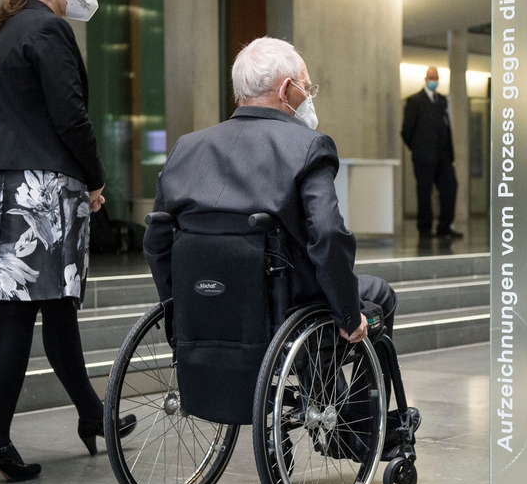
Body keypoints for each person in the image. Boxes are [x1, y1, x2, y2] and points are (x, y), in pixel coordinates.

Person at [143, 36, 418, 432]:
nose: (308, 96)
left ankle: (326, 393)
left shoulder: (187, 148)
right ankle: (356, 428)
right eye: (307, 87)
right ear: (286, 89)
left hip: (204, 306)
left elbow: (156, 240)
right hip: (281, 305)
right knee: (375, 297)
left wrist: (180, 305)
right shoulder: (306, 146)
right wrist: (346, 312)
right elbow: (326, 234)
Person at [0, 0, 134, 484]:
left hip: (4, 185)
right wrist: (96, 178)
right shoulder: (48, 28)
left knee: (56, 308)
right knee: (19, 317)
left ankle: (94, 415)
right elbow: (70, 117)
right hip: (40, 189)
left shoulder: (8, 31)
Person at [401, 67, 462, 240]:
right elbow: (406, 131)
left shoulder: (441, 101)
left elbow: (447, 128)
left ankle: (445, 226)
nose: (435, 80)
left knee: (450, 187)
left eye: (437, 77)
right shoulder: (415, 101)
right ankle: (425, 229)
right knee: (424, 192)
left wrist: (451, 158)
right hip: (424, 156)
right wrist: (418, 147)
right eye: (432, 77)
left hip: (443, 156)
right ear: (426, 78)